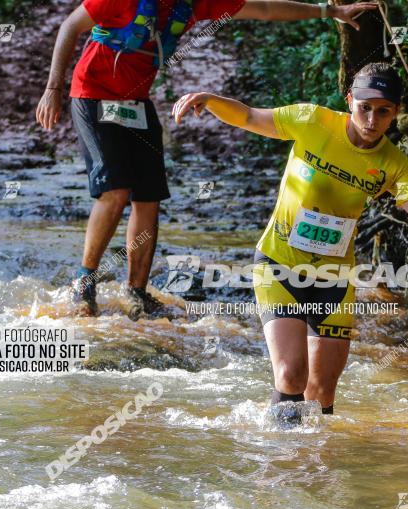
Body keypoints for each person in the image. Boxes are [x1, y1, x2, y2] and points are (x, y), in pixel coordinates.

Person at [172, 62, 408, 424]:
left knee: (322, 389)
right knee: (291, 375)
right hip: (278, 265)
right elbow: (251, 117)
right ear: (349, 100)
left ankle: (316, 469)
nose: (371, 119)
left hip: (333, 278)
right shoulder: (312, 121)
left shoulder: (393, 164)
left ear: (395, 114)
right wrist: (209, 99)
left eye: (383, 111)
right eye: (364, 107)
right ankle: (278, 461)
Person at [35, 0, 378, 319]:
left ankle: (136, 292)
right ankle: (84, 282)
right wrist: (53, 89)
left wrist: (328, 10)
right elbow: (70, 26)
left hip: (136, 104)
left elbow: (265, 9)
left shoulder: (194, 3)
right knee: (116, 191)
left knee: (148, 198)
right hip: (92, 94)